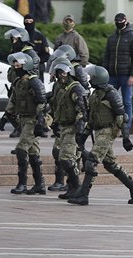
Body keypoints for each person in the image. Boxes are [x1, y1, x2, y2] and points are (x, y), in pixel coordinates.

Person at [68, 66, 133, 206]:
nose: (89, 79)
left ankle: (83, 195)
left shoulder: (111, 94)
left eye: (91, 77)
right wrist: (83, 136)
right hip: (99, 130)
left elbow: (122, 116)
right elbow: (91, 119)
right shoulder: (94, 95)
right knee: (110, 164)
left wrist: (126, 138)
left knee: (92, 161)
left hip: (108, 130)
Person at [6, 52, 47, 195]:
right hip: (23, 119)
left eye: (19, 65)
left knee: (21, 149)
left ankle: (22, 183)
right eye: (15, 65)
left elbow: (42, 102)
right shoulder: (18, 82)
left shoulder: (34, 81)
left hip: (32, 119)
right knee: (33, 151)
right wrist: (7, 115)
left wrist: (40, 122)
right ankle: (40, 184)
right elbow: (13, 99)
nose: (16, 67)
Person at [51, 60, 87, 200]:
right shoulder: (62, 88)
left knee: (67, 158)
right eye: (59, 73)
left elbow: (81, 110)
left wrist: (79, 130)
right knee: (62, 157)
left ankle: (76, 187)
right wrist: (54, 123)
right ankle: (71, 187)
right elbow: (58, 107)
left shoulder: (75, 88)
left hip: (72, 127)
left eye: (64, 73)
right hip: (63, 126)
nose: (61, 76)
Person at [103, 13, 133, 130]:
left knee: (127, 101)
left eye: (120, 21)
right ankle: (110, 123)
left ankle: (126, 127)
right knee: (108, 100)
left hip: (126, 75)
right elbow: (106, 56)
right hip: (112, 75)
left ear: (125, 21)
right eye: (117, 21)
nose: (119, 23)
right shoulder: (112, 38)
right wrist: (105, 73)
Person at [23, 14, 51, 81]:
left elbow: (46, 56)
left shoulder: (40, 37)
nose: (28, 23)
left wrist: (35, 61)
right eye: (26, 21)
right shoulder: (20, 36)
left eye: (30, 21)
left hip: (38, 70)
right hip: (23, 70)